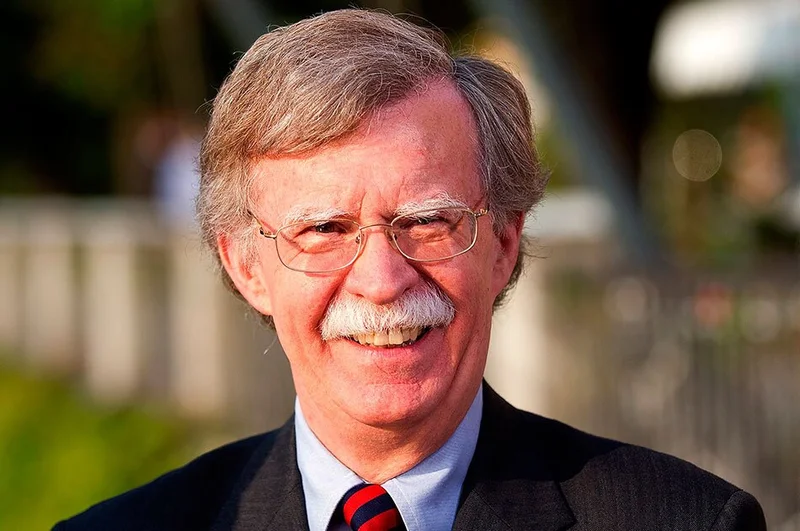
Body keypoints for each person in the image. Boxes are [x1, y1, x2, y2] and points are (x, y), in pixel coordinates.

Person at [54, 9, 766, 531]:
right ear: (246, 266)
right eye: (324, 229)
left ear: (504, 242)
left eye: (427, 222)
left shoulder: (690, 521)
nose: (382, 279)